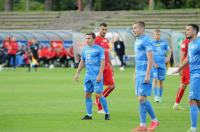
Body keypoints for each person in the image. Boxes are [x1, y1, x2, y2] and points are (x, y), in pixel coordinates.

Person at [74, 32, 110, 120]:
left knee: (99, 94)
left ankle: (107, 113)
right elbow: (82, 62)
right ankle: (89, 115)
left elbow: (103, 63)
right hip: (88, 76)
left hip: (97, 76)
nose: (87, 40)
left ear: (94, 39)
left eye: (89, 38)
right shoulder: (85, 49)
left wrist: (100, 75)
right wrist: (77, 73)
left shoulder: (99, 49)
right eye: (86, 38)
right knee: (87, 94)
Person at [132, 21, 159, 132]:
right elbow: (138, 58)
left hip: (145, 73)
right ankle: (142, 126)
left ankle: (154, 120)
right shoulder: (137, 40)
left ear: (142, 29)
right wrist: (135, 72)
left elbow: (150, 58)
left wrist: (148, 73)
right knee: (140, 100)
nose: (133, 30)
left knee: (142, 98)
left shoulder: (146, 40)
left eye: (135, 28)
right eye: (133, 28)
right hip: (139, 73)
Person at [173, 24, 200, 132]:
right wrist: (179, 69)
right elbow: (188, 58)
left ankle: (193, 128)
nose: (186, 31)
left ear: (194, 31)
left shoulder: (198, 43)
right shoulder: (191, 44)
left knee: (192, 100)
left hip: (198, 75)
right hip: (193, 75)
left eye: (188, 30)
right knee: (197, 101)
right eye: (185, 30)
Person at [94, 23, 115, 113]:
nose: (104, 31)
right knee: (99, 88)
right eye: (103, 29)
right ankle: (100, 108)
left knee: (112, 86)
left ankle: (99, 100)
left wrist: (111, 65)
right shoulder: (96, 40)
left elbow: (107, 54)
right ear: (99, 29)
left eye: (106, 30)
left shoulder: (106, 40)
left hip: (107, 66)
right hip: (99, 67)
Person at [152, 29, 171, 103]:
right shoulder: (151, 43)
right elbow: (149, 54)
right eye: (156, 34)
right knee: (155, 79)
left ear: (160, 35)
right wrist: (153, 63)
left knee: (161, 82)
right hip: (154, 65)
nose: (157, 36)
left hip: (162, 65)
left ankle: (160, 97)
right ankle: (156, 97)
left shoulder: (164, 43)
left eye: (158, 34)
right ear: (153, 35)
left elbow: (170, 51)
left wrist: (168, 58)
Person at [173, 36, 191, 110]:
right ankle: (194, 103)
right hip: (188, 67)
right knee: (195, 85)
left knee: (183, 85)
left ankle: (176, 104)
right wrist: (181, 68)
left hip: (188, 66)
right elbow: (182, 55)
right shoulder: (186, 42)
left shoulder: (193, 41)